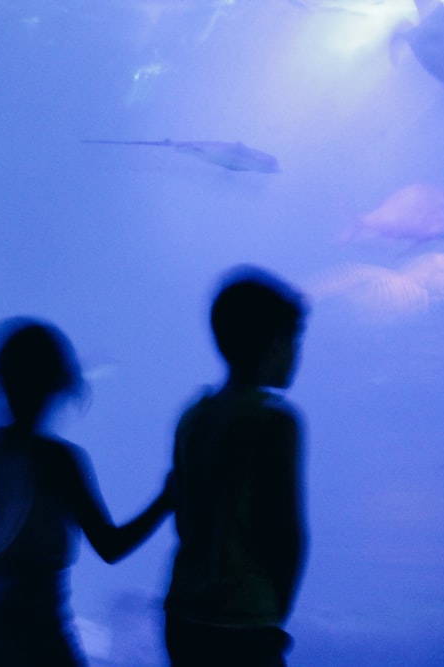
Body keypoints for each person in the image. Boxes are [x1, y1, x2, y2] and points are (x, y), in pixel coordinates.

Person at [0, 318, 172, 667]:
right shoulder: (60, 460)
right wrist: (166, 500)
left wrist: (1, 538)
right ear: (58, 386)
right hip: (34, 607)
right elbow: (110, 547)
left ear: (2, 381)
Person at [164, 266, 309, 667]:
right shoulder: (277, 422)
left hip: (183, 616)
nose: (297, 351)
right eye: (294, 338)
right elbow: (288, 532)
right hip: (244, 618)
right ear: (276, 342)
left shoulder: (193, 417)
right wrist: (274, 613)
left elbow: (185, 519)